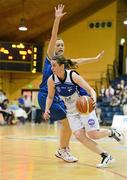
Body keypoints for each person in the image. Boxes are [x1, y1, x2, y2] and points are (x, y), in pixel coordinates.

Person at [38, 4, 104, 163]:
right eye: (57, 45)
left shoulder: (62, 63)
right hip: (46, 95)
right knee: (67, 122)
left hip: (56, 97)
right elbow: (54, 36)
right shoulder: (51, 58)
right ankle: (63, 150)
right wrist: (57, 19)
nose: (59, 47)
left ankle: (64, 149)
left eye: (61, 45)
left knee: (68, 122)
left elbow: (78, 60)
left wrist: (94, 59)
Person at [43, 55, 125, 168]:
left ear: (62, 66)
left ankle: (112, 132)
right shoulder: (51, 80)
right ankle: (106, 156)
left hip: (84, 108)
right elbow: (50, 97)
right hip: (71, 112)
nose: (52, 68)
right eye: (51, 65)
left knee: (93, 134)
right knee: (79, 135)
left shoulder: (72, 75)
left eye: (54, 65)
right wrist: (46, 109)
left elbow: (90, 89)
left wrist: (94, 101)